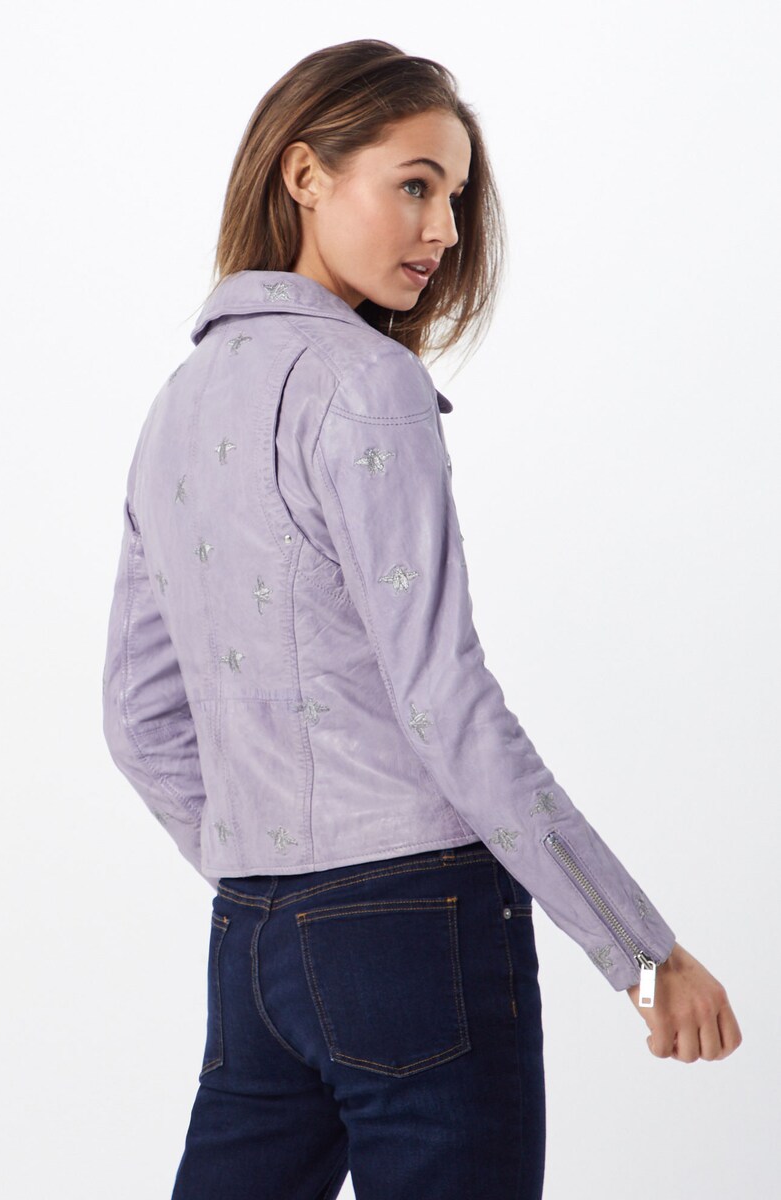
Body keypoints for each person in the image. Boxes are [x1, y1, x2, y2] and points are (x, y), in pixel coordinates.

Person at [101, 38, 742, 1200]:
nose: (443, 229)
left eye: (454, 196)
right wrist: (644, 955)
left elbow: (138, 723)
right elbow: (445, 701)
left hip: (253, 937)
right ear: (305, 174)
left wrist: (282, 878)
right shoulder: (365, 382)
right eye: (413, 185)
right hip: (416, 926)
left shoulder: (176, 407)